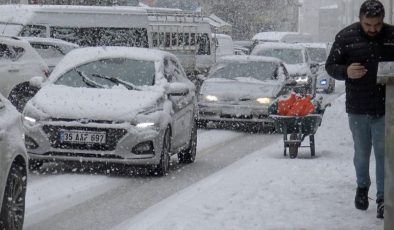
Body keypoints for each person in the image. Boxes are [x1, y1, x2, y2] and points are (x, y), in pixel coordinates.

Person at [326, 0, 394, 219]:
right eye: (368, 24)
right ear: (360, 19)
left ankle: (384, 199)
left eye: (377, 24)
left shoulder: (392, 36)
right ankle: (362, 188)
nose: (373, 29)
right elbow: (330, 66)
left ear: (383, 20)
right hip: (358, 107)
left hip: (387, 108)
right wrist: (346, 70)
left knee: (385, 155)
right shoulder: (345, 37)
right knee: (362, 152)